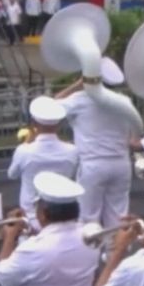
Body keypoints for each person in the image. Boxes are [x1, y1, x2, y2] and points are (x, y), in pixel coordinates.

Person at [56, 58, 136, 229]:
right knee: (118, 218)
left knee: (88, 219)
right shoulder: (124, 102)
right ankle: (116, 253)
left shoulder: (80, 99)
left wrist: (78, 84)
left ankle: (90, 255)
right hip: (121, 163)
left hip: (93, 164)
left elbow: (51, 107)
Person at [7, 97, 79, 231]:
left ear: (34, 123)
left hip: (30, 214)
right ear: (58, 124)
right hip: (63, 211)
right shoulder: (72, 150)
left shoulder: (24, 150)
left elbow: (12, 174)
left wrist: (25, 144)